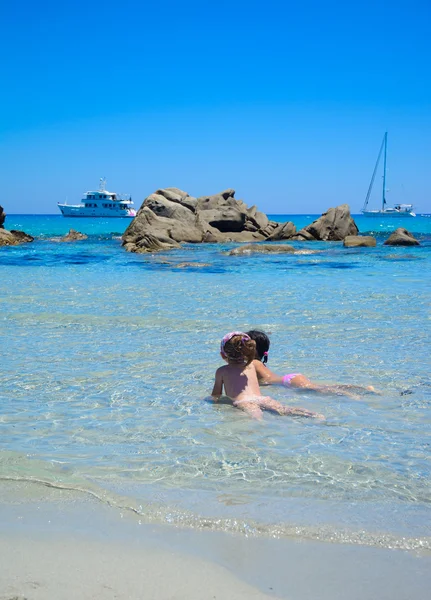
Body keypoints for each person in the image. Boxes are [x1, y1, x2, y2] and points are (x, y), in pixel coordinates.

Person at [211, 331, 324, 420]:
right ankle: (313, 415)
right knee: (284, 410)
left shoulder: (222, 371)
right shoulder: (252, 366)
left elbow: (216, 395)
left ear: (222, 354)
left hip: (243, 402)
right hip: (261, 399)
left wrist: (211, 402)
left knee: (256, 418)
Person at [246, 330, 377, 396]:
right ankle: (364, 389)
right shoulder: (259, 363)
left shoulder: (252, 363)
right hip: (290, 378)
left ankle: (351, 396)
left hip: (288, 382)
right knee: (324, 387)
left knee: (322, 390)